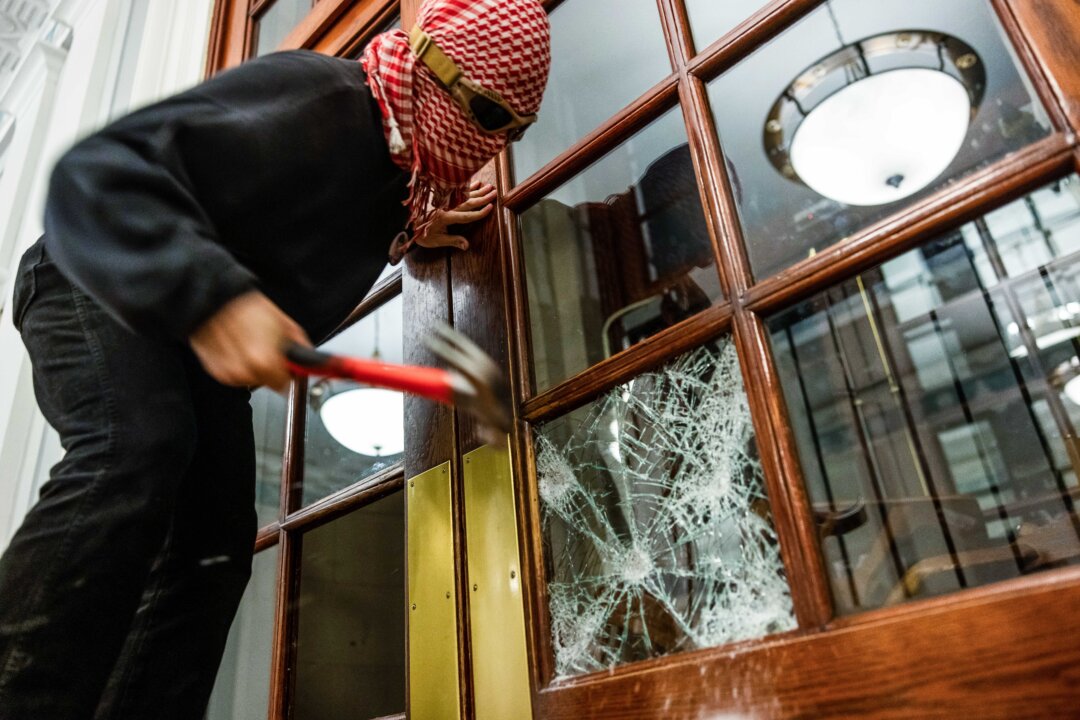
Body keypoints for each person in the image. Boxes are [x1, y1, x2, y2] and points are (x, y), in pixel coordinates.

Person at [0, 0, 550, 716]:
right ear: (433, 70)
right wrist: (217, 298)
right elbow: (96, 175)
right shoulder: (318, 99)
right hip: (94, 276)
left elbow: (327, 210)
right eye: (486, 115)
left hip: (185, 351)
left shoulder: (397, 171)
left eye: (510, 131)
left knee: (215, 543)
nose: (486, 144)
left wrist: (413, 228)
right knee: (134, 445)